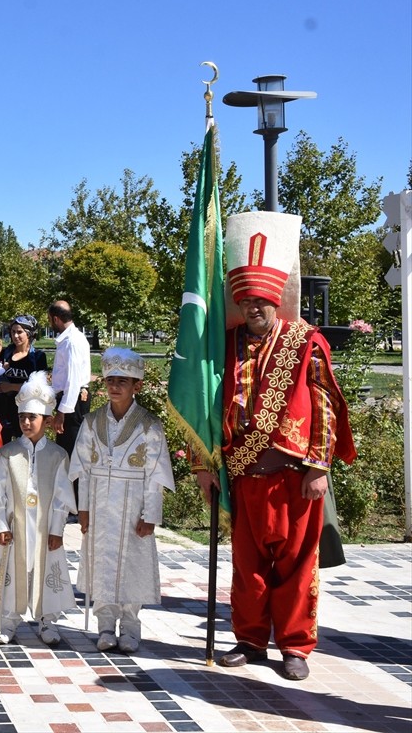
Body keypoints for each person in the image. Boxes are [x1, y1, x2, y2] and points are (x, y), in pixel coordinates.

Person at [194, 211, 355, 681]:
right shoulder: (223, 345)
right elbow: (204, 402)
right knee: (247, 567)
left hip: (293, 477)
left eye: (262, 300)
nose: (254, 308)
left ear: (276, 299)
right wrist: (201, 464)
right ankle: (249, 639)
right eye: (246, 300)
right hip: (243, 475)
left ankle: (294, 646)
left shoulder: (305, 341)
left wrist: (320, 465)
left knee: (296, 565)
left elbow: (325, 404)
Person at [70, 348, 174, 654]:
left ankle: (130, 627)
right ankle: (105, 625)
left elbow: (156, 474)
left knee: (132, 564)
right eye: (111, 380)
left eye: (123, 381)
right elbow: (84, 470)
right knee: (101, 563)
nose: (115, 386)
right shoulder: (91, 422)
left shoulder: (149, 425)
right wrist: (84, 509)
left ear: (136, 386)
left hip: (133, 508)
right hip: (100, 506)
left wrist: (151, 513)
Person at [0, 371, 75, 646]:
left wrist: (57, 529)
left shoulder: (58, 456)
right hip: (16, 526)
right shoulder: (7, 453)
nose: (25, 422)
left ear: (47, 421)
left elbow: (61, 496)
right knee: (12, 568)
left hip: (46, 526)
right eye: (22, 417)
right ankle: (9, 620)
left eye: (32, 418)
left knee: (47, 569)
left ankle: (47, 620)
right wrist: (1, 525)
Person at [0, 315, 48, 443]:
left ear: (29, 334)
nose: (15, 336)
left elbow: (39, 387)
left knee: (26, 448)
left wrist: (10, 387)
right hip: (1, 410)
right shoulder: (3, 354)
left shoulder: (37, 357)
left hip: (26, 412)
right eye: (13, 332)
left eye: (19, 332)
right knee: (1, 447)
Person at [47, 303, 90, 456]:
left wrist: (62, 412)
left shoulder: (72, 341)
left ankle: (74, 481)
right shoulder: (68, 339)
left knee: (71, 451)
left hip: (73, 401)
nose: (50, 323)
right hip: (70, 400)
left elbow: (73, 381)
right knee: (65, 449)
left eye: (50, 320)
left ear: (56, 319)